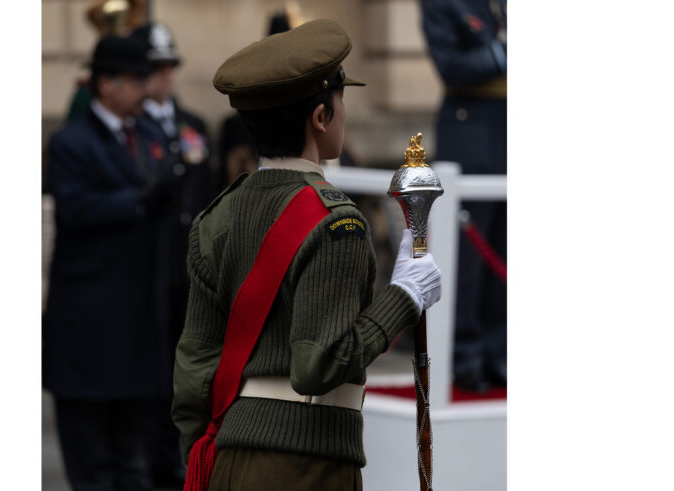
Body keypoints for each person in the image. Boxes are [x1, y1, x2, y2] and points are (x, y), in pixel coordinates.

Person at [171, 19, 443, 490]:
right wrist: (403, 296)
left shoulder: (215, 216)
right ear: (320, 118)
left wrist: (208, 456)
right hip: (304, 466)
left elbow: (194, 367)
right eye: (340, 102)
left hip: (225, 457)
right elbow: (318, 365)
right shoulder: (338, 222)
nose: (344, 114)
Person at [43, 35, 184, 491]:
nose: (147, 88)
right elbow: (77, 208)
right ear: (106, 84)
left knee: (136, 468)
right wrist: (139, 197)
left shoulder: (150, 134)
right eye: (136, 79)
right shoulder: (70, 142)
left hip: (139, 333)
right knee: (94, 469)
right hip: (89, 335)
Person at [129, 21, 215, 487]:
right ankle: (155, 455)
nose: (163, 77)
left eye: (168, 68)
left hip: (190, 265)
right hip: (152, 265)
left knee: (192, 363)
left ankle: (185, 452)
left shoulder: (193, 126)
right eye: (154, 69)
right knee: (154, 367)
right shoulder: (134, 129)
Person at [421, 0, 507, 392]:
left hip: (506, 124)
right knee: (469, 258)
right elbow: (451, 65)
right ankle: (466, 355)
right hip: (470, 125)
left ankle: (500, 352)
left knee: (505, 249)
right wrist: (500, 53)